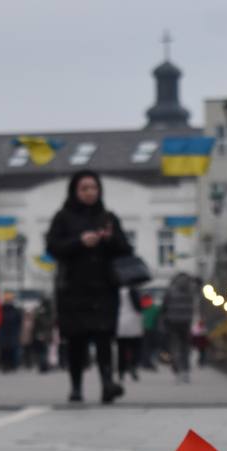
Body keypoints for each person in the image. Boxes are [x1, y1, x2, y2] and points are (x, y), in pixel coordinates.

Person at [45, 170, 131, 403]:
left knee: (104, 337)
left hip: (103, 287)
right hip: (74, 288)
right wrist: (79, 242)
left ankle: (107, 383)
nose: (90, 192)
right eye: (84, 188)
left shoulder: (108, 217)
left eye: (93, 187)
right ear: (75, 191)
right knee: (76, 339)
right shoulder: (63, 218)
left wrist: (109, 239)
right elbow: (53, 247)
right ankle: (76, 386)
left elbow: (125, 249)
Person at [162, 272, 198, 382]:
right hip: (186, 322)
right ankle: (185, 371)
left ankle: (176, 369)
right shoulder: (191, 290)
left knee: (174, 346)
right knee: (185, 347)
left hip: (172, 322)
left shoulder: (170, 290)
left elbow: (164, 307)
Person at [115, 283, 144, 382]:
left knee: (121, 349)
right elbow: (139, 306)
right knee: (135, 348)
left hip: (120, 322)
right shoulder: (133, 291)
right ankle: (133, 367)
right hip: (133, 322)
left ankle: (121, 371)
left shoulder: (116, 290)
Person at [0, 290, 23, 372]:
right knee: (4, 350)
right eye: (7, 300)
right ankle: (5, 365)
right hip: (4, 333)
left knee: (12, 350)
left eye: (9, 300)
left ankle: (12, 365)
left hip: (12, 333)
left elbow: (19, 322)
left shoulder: (15, 310)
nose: (8, 301)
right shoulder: (1, 310)